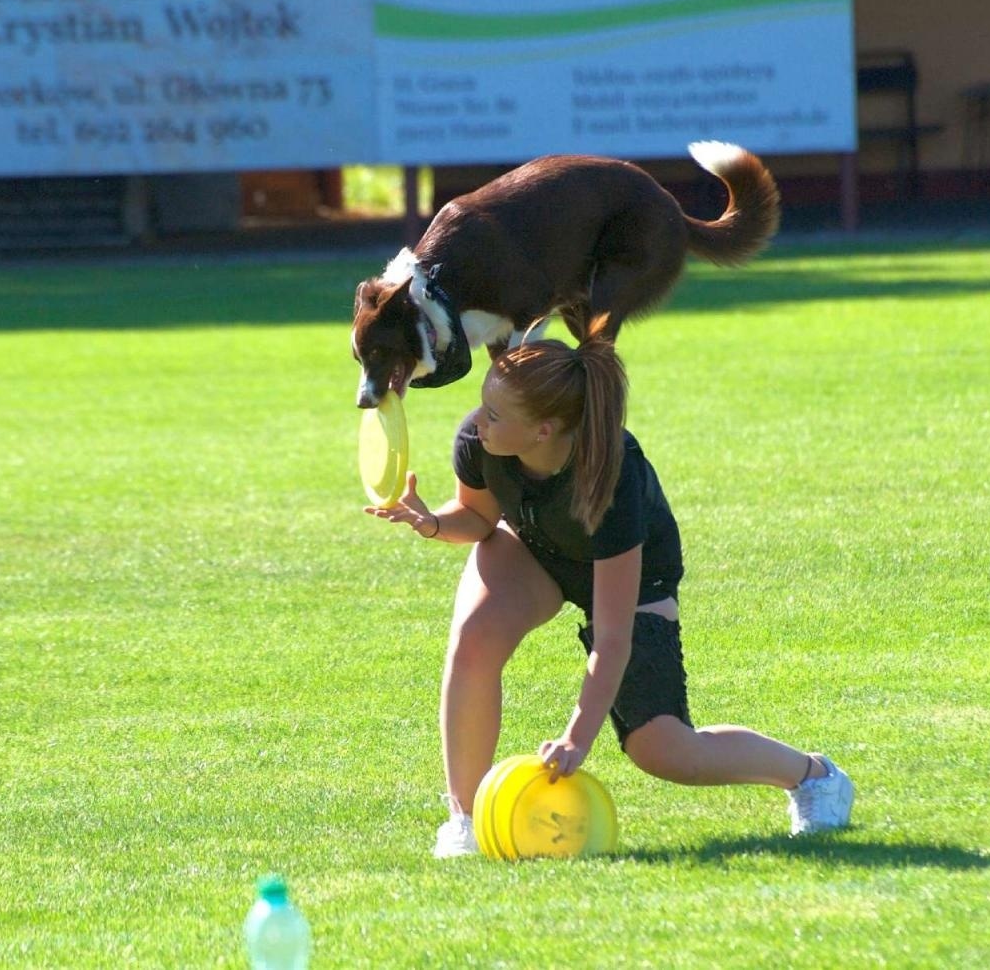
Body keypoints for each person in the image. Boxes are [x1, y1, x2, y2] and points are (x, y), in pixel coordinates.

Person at [365, 332, 853, 858]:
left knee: (664, 751)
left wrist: (576, 738)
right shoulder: (480, 440)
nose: (478, 420)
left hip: (635, 578)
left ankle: (814, 777)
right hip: (536, 546)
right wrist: (434, 523)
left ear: (543, 430)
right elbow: (480, 518)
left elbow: (613, 637)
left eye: (495, 414)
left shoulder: (611, 477)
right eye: (484, 405)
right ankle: (464, 821)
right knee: (474, 638)